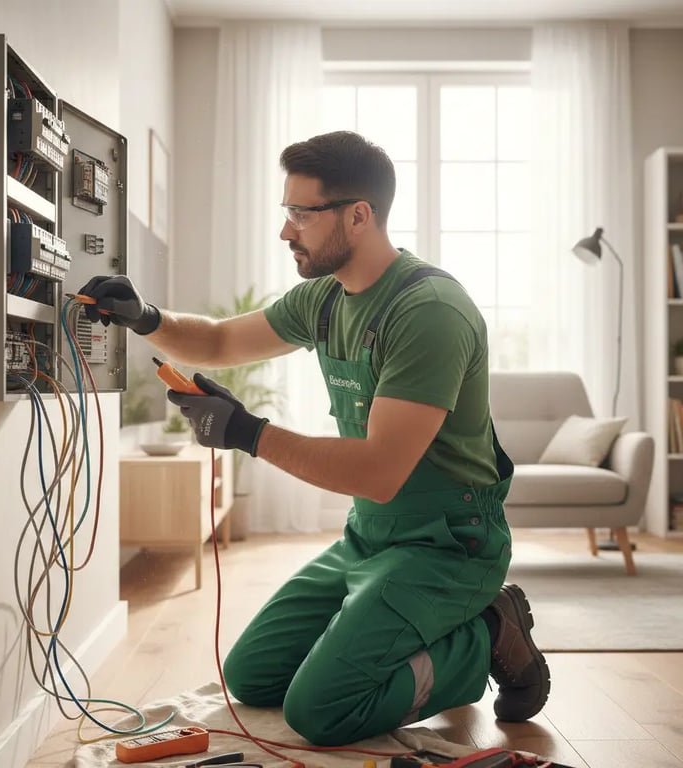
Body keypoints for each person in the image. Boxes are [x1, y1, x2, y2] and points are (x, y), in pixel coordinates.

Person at [78, 130, 550, 747]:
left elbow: (379, 472)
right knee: (252, 676)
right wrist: (145, 318)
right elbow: (218, 340)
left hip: (450, 544)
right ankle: (398, 632)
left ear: (359, 216)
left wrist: (248, 433)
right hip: (369, 536)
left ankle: (487, 633)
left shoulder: (429, 311)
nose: (286, 231)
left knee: (320, 710)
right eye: (287, 212)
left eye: (302, 214)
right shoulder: (325, 299)